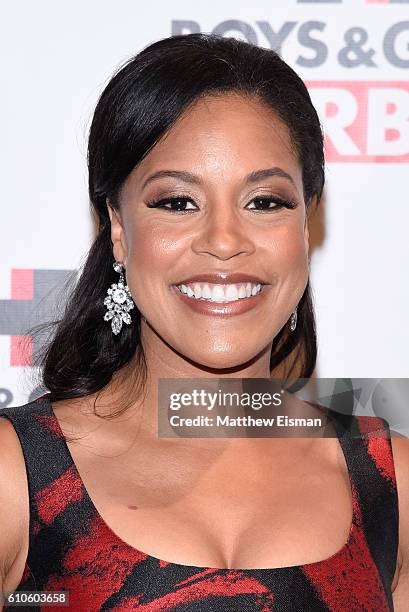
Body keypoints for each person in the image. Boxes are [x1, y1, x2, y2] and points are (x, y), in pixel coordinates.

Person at [0, 33, 408, 611]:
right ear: (118, 226)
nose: (223, 242)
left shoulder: (391, 485)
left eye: (265, 201)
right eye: (177, 202)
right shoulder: (16, 477)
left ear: (306, 225)